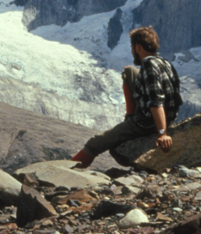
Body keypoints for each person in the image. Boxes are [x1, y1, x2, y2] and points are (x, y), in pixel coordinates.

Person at [71, 26, 182, 168]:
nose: (132, 51)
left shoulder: (148, 65)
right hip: (167, 117)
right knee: (129, 71)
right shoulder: (166, 63)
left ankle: (65, 172)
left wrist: (162, 133)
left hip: (146, 123)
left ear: (138, 47)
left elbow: (156, 101)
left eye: (132, 47)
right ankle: (130, 117)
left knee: (95, 143)